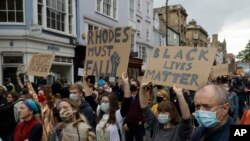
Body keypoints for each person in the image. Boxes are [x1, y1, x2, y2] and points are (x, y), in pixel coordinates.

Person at [83, 72, 131, 141]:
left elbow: (127, 101)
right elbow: (89, 98)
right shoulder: (99, 111)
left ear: (112, 103)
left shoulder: (118, 115)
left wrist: (126, 83)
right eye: (102, 101)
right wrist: (84, 80)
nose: (103, 103)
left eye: (106, 102)